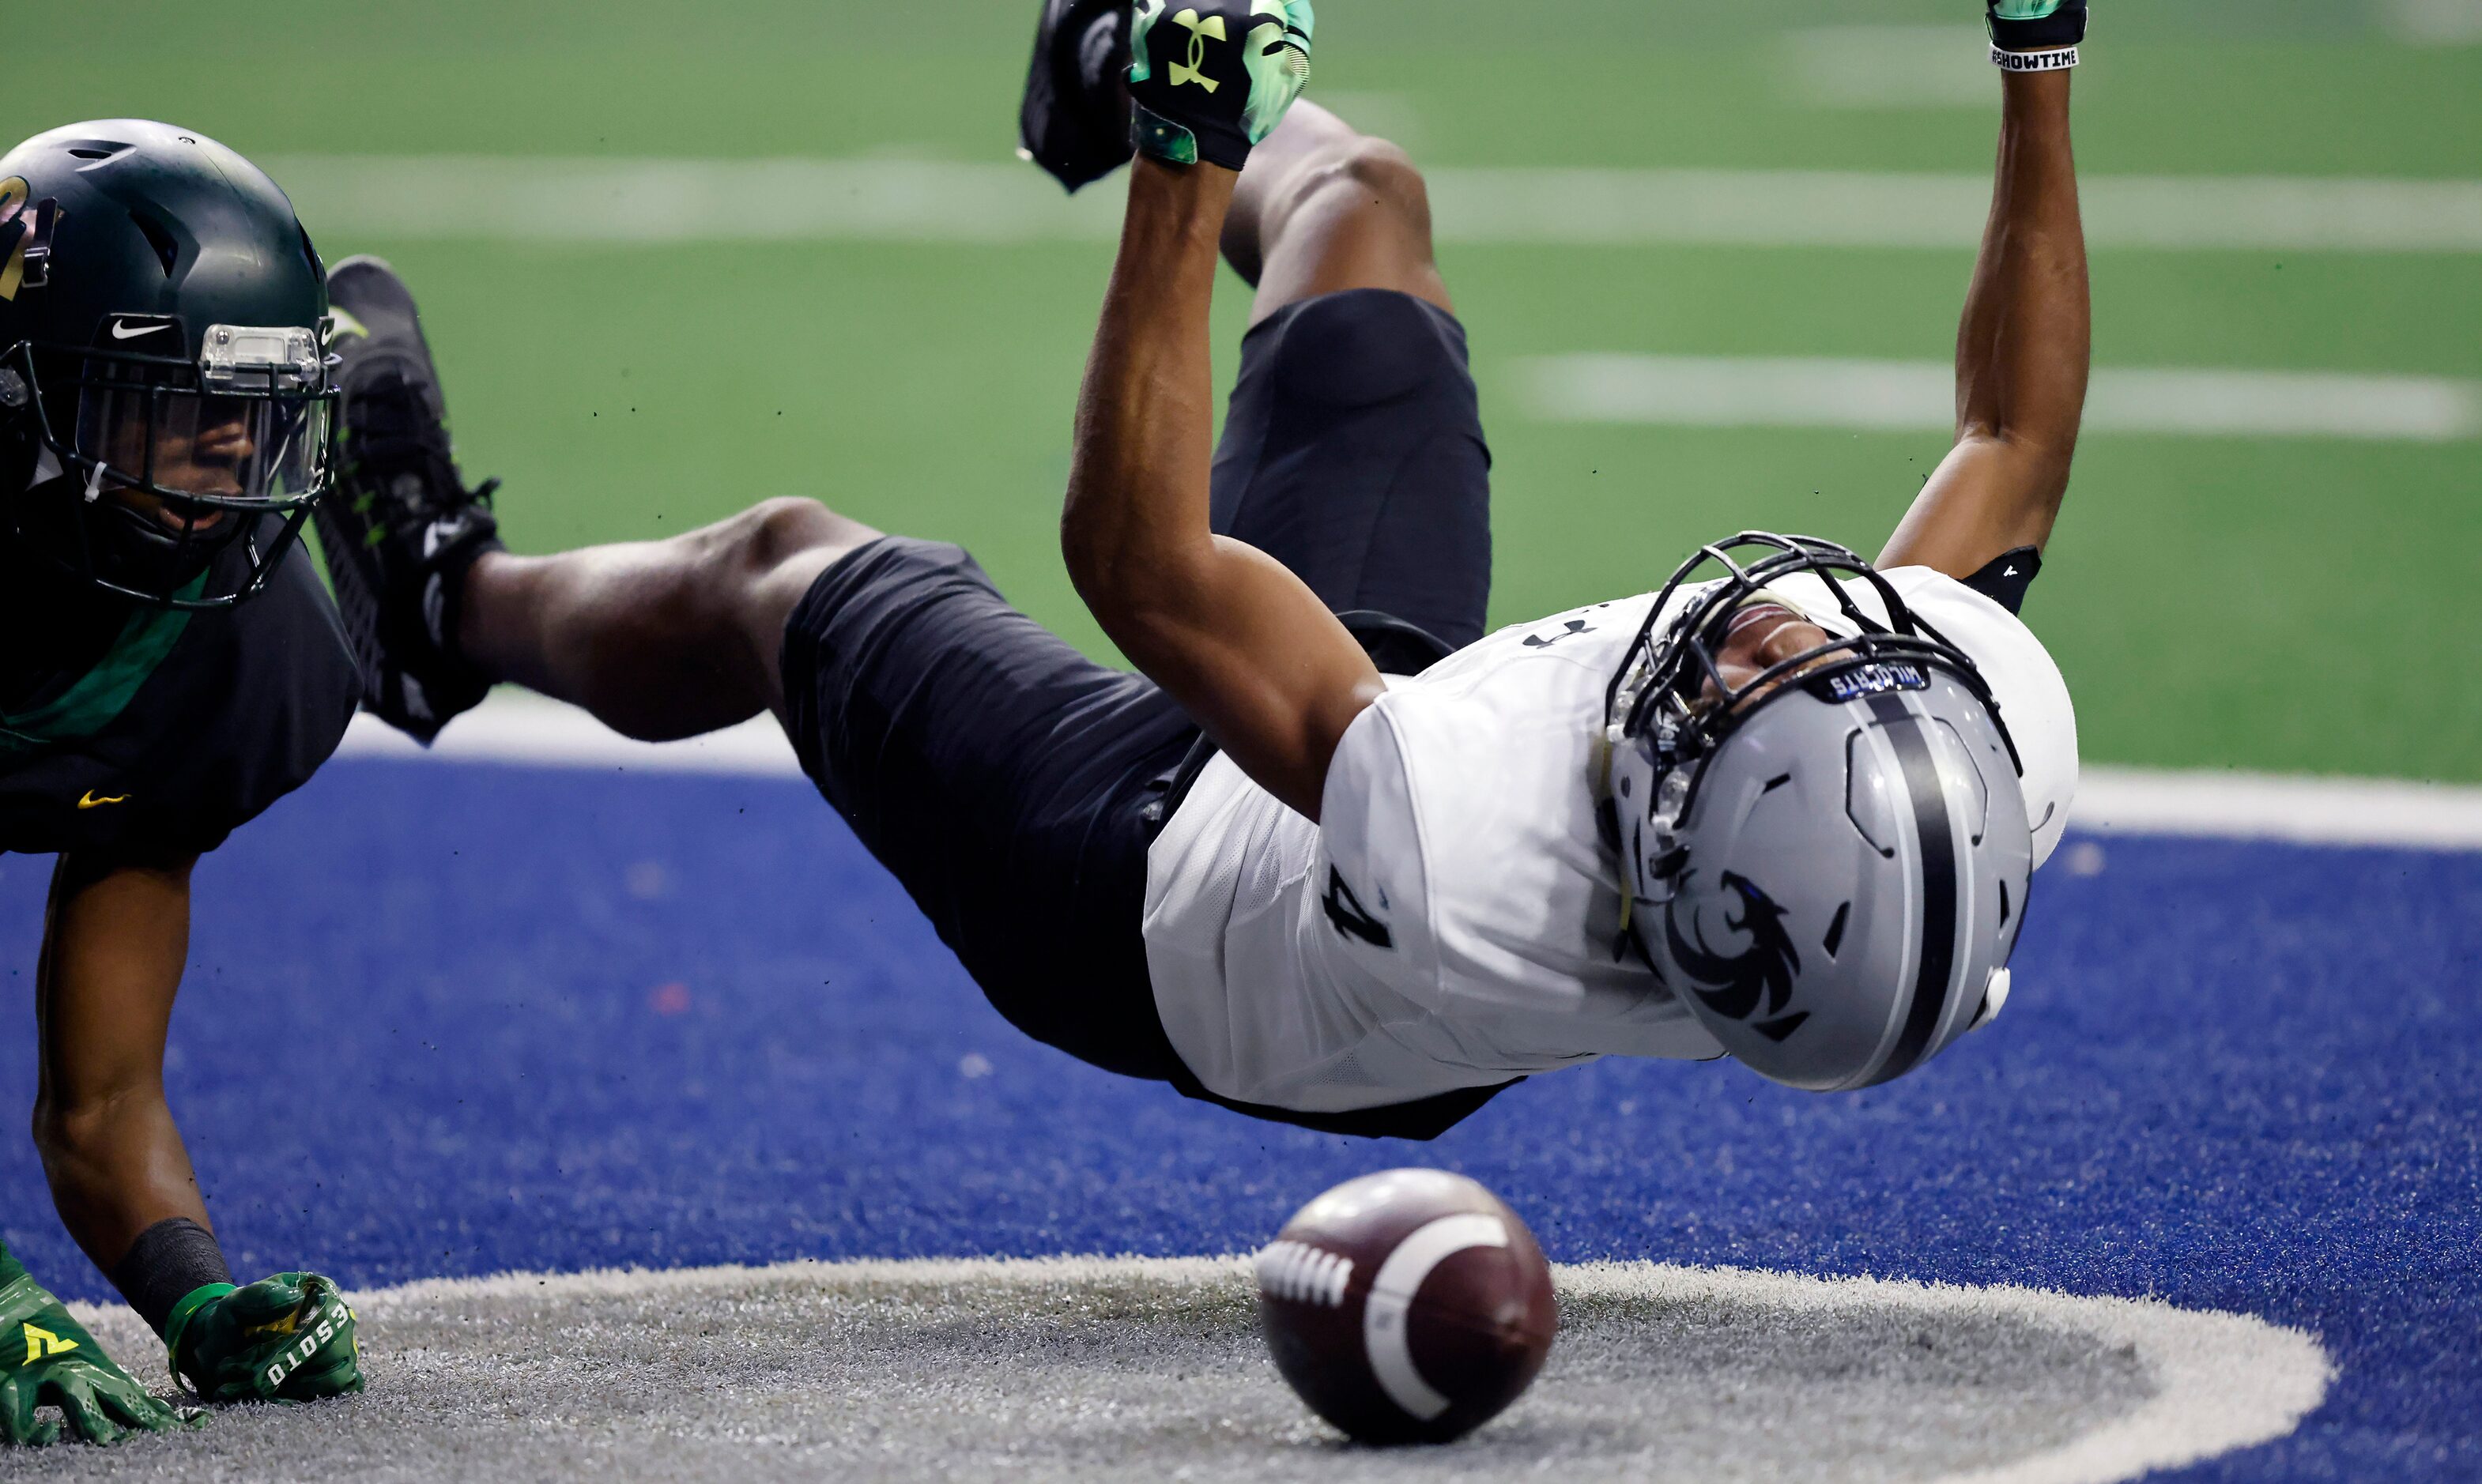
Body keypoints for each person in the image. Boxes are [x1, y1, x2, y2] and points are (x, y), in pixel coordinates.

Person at [320, 0, 2085, 1139]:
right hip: (1379, 752)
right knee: (1362, 209)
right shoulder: (1943, 768)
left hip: (1154, 907)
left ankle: (431, 602)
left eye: (1751, 677)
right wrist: (2038, 60)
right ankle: (1096, 50)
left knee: (784, 576)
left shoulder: (1471, 842)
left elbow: (1143, 565)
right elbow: (2009, 436)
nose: (1777, 618)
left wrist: (1190, 155)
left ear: (1681, 830)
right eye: (1827, 661)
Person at [0, 120, 364, 1446]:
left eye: (258, 407)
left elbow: (99, 1102)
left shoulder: (239, 656)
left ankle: (437, 576)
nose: (225, 452)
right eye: (173, 398)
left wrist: (194, 1300)